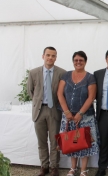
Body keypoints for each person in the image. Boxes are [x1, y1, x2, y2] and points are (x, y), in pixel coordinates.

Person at [57, 51, 99, 176]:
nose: (78, 62)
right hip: (68, 117)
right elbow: (60, 94)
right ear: (73, 61)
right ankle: (73, 168)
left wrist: (80, 113)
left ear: (85, 62)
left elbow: (91, 97)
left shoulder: (90, 77)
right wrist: (66, 112)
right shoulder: (66, 75)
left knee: (84, 143)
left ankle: (84, 170)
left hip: (85, 117)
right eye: (76, 60)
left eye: (81, 60)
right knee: (72, 142)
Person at [27, 47, 66, 176]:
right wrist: (38, 101)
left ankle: (54, 166)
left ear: (56, 57)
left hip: (54, 110)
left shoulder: (62, 73)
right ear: (43, 56)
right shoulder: (33, 73)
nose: (50, 58)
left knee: (54, 141)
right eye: (48, 55)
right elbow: (30, 91)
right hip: (39, 111)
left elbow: (63, 92)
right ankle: (44, 166)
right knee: (42, 141)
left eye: (53, 56)